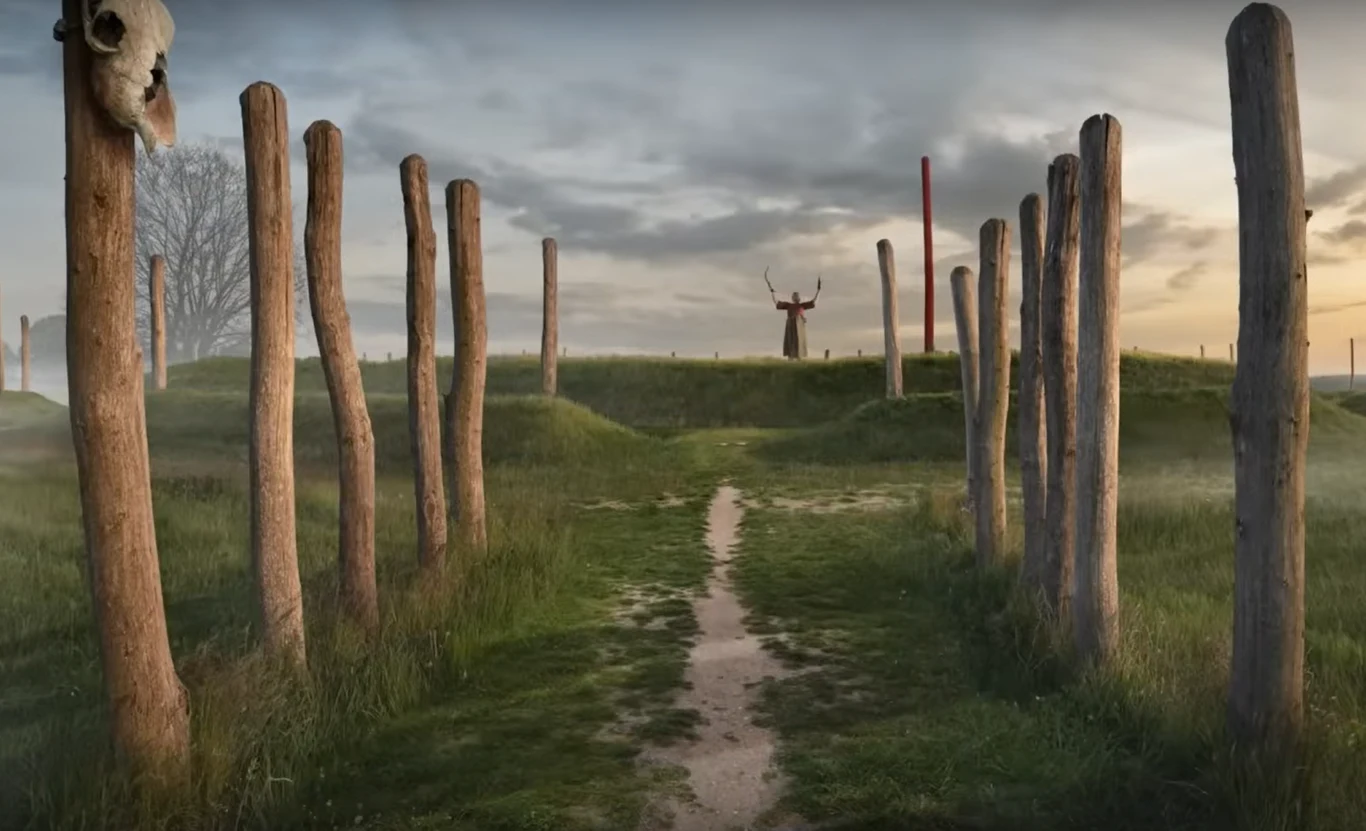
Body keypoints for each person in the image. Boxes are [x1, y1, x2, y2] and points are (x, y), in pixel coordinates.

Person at [770, 275, 821, 360]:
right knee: (790, 339)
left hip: (800, 323)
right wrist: (772, 293)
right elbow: (776, 302)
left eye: (796, 296)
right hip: (791, 323)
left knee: (799, 339)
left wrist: (818, 291)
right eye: (794, 296)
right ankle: (790, 357)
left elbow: (814, 301)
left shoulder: (802, 305)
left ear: (799, 298)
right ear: (792, 298)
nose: (795, 297)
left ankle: (799, 357)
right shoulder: (788, 305)